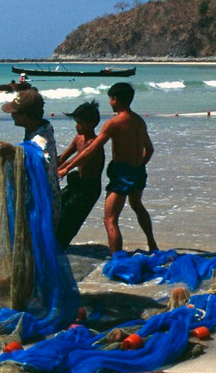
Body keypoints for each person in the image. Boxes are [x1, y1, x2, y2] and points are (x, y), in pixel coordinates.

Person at [57, 82, 157, 254]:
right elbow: (149, 149)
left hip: (122, 173)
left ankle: (116, 259)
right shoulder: (139, 121)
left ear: (115, 99)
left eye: (110, 98)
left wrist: (67, 168)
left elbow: (91, 149)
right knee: (137, 205)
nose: (110, 102)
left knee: (110, 220)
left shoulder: (114, 123)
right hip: (138, 171)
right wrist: (139, 166)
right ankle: (152, 244)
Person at [55, 100, 105, 248]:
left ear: (92, 124)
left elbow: (78, 160)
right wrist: (52, 168)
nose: (77, 126)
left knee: (71, 218)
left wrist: (65, 169)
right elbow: (64, 157)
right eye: (76, 122)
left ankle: (59, 246)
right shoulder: (78, 138)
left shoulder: (94, 143)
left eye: (80, 123)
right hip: (77, 184)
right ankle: (52, 242)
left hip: (89, 188)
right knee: (57, 205)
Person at [2, 87, 59, 199]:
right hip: (52, 196)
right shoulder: (45, 127)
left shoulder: (38, 143)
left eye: (14, 112)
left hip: (41, 205)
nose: (12, 115)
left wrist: (14, 152)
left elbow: (42, 157)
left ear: (24, 116)